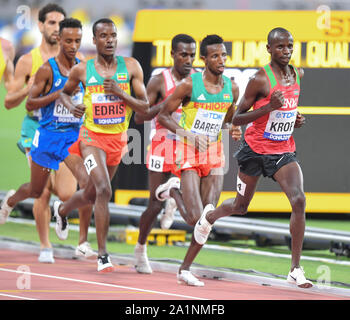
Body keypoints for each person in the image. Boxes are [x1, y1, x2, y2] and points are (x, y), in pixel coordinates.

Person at [192, 28, 313, 288]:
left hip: (282, 151)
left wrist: (295, 118)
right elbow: (237, 118)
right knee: (240, 206)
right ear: (269, 49)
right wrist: (269, 107)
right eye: (280, 47)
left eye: (290, 46)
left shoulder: (297, 74)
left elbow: (288, 109)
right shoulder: (260, 79)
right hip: (255, 151)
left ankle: (295, 269)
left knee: (299, 199)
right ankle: (210, 218)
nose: (287, 51)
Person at [53, 18, 149, 272]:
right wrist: (72, 106)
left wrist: (120, 93)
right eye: (104, 36)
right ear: (94, 41)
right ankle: (103, 255)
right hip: (91, 139)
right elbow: (64, 93)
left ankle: (62, 210)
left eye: (113, 35)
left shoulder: (130, 67)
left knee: (91, 194)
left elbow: (145, 107)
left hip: (117, 141)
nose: (110, 40)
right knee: (104, 189)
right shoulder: (83, 70)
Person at [3, 4, 94, 263]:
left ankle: (62, 211)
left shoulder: (81, 65)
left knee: (67, 192)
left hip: (68, 133)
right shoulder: (30, 60)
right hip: (37, 129)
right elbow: (10, 101)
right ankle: (45, 246)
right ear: (41, 26)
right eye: (51, 23)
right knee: (40, 191)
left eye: (60, 23)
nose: (55, 28)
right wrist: (31, 88)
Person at [157, 34, 241, 286]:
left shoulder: (232, 88)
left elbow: (228, 120)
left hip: (214, 152)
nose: (221, 60)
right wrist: (189, 135)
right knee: (194, 219)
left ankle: (185, 269)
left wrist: (233, 129)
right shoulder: (189, 86)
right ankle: (173, 191)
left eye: (224, 55)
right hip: (188, 150)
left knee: (208, 216)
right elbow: (163, 116)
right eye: (215, 56)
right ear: (204, 59)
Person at [133, 34, 197, 274]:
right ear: (172, 54)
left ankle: (173, 193)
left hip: (187, 143)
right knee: (153, 205)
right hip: (162, 142)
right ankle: (141, 248)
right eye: (183, 54)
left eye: (192, 55)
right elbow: (140, 117)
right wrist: (170, 101)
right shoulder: (160, 81)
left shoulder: (198, 80)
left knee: (193, 194)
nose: (188, 59)